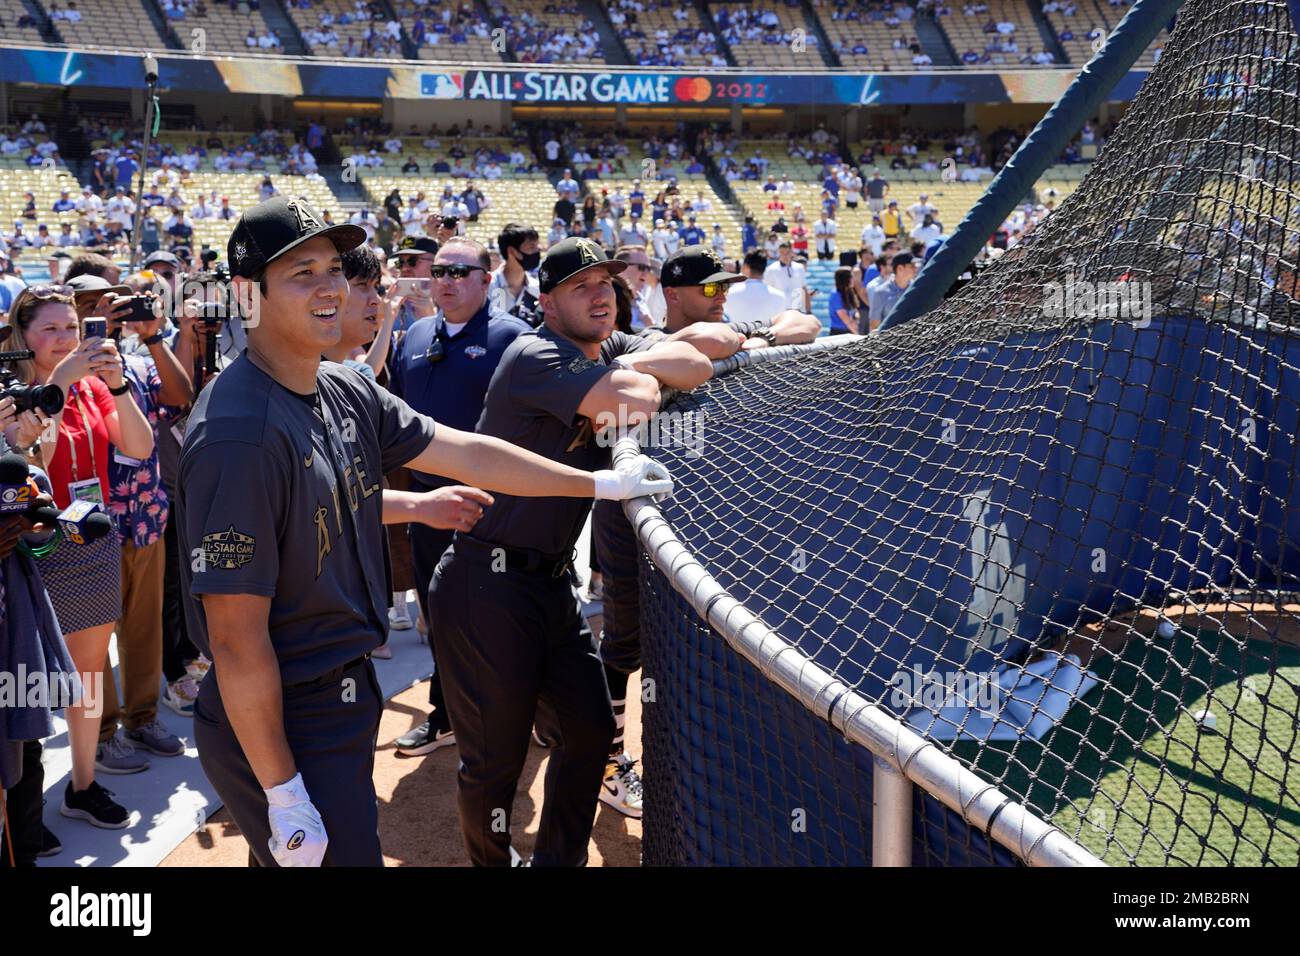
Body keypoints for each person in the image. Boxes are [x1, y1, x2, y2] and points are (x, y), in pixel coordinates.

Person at [176, 198, 673, 867]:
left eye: (334, 269)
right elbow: (236, 643)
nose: (330, 288)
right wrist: (283, 792)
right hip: (283, 713)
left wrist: (600, 485)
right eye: (301, 273)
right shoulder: (238, 432)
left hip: (339, 691)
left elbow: (467, 452)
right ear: (247, 294)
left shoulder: (338, 387)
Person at [428, 237, 712, 866]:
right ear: (547, 301)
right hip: (486, 584)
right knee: (494, 763)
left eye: (606, 283)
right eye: (580, 285)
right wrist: (643, 372)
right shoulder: (534, 353)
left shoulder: (604, 349)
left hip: (550, 584)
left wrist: (647, 362)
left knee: (588, 729)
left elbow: (701, 358)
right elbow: (635, 400)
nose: (599, 295)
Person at [590, 246, 818, 815]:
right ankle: (610, 763)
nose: (723, 299)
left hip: (706, 517)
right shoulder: (642, 341)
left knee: (712, 637)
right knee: (625, 643)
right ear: (672, 294)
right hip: (633, 522)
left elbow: (806, 323)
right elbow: (702, 348)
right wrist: (736, 341)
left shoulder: (730, 325)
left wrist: (756, 334)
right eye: (710, 290)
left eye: (725, 289)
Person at [2, 284, 155, 828]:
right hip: (30, 546)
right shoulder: (11, 393)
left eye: (73, 327)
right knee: (30, 678)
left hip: (91, 540)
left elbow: (138, 448)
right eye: (51, 330)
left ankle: (83, 785)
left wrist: (117, 388)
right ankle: (23, 809)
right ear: (23, 335)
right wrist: (59, 384)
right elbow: (27, 460)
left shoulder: (93, 388)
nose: (66, 339)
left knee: (88, 674)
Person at [387, 237, 532, 758]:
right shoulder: (418, 333)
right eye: (440, 271)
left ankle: (522, 710)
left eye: (459, 271)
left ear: (486, 279)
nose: (445, 281)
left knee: (502, 615)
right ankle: (446, 715)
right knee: (439, 613)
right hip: (428, 503)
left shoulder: (513, 338)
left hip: (494, 506)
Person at [67, 275, 196, 756]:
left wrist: (154, 335)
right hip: (86, 525)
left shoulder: (138, 364)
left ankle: (142, 718)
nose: (101, 311)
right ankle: (100, 734)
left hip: (144, 514)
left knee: (143, 629)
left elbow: (180, 397)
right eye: (86, 305)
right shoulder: (62, 373)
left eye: (109, 301)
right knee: (92, 642)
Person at [488, 222, 542, 326]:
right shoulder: (487, 288)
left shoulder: (537, 289)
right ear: (512, 251)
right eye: (531, 247)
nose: (538, 251)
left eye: (537, 246)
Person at [723, 251, 788, 325]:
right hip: (768, 335)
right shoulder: (780, 296)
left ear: (746, 267)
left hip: (737, 335)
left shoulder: (729, 294)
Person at [869, 251, 918, 327]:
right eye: (912, 266)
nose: (916, 268)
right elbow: (874, 325)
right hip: (889, 338)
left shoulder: (917, 288)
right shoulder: (881, 292)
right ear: (900, 268)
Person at [763, 241, 810, 311]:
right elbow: (767, 292)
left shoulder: (799, 268)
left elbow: (804, 289)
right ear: (779, 252)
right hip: (779, 310)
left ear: (792, 252)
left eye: (787, 252)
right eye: (782, 253)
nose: (785, 255)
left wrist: (809, 310)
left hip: (797, 310)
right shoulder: (771, 270)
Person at [827, 266, 860, 334]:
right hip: (839, 333)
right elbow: (846, 320)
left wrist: (856, 317)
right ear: (844, 279)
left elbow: (855, 311)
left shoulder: (849, 292)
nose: (854, 279)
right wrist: (858, 336)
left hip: (850, 331)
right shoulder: (835, 295)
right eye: (851, 277)